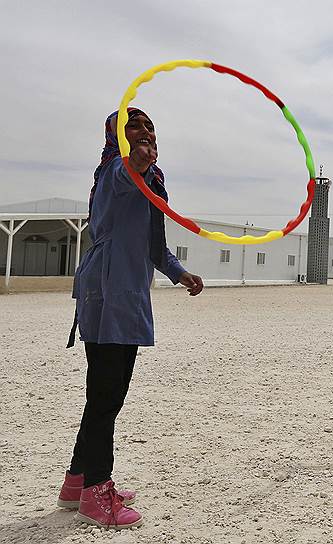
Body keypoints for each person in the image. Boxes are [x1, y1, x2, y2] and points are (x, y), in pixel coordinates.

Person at [60, 109, 204, 529]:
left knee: (106, 397)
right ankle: (96, 492)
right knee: (106, 398)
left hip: (129, 296)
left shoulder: (153, 183)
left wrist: (180, 274)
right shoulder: (112, 173)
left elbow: (155, 247)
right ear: (116, 138)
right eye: (134, 127)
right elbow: (120, 183)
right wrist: (133, 163)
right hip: (105, 294)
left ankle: (76, 483)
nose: (145, 133)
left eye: (150, 127)